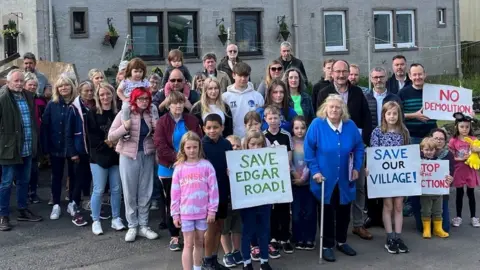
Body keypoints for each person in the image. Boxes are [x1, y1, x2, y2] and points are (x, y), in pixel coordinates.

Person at [304, 94, 364, 262]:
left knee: (344, 211)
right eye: (331, 107)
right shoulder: (317, 125)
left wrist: (357, 167)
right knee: (327, 212)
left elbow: (359, 147)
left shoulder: (350, 125)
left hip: (345, 177)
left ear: (342, 109)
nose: (334, 110)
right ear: (325, 108)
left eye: (338, 107)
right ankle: (327, 245)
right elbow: (309, 150)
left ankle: (342, 241)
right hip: (324, 178)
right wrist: (314, 171)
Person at [108, 87, 159, 242]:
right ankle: (132, 225)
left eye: (146, 99)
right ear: (134, 100)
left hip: (147, 155)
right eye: (140, 99)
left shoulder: (151, 113)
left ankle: (143, 225)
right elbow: (111, 136)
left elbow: (157, 133)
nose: (143, 102)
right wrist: (125, 127)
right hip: (128, 156)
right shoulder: (126, 113)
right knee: (130, 192)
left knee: (146, 191)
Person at [154, 90, 203, 250]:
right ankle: (175, 236)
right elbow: (160, 145)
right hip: (169, 168)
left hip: (190, 166)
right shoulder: (162, 122)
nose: (178, 106)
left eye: (181, 102)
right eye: (174, 103)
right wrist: (179, 159)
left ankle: (191, 234)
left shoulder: (192, 120)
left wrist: (188, 160)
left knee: (191, 199)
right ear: (169, 105)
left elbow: (199, 140)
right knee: (172, 202)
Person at [0, 69, 43, 231]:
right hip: (9, 149)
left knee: (24, 181)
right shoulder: (3, 98)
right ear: (8, 82)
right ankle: (3, 215)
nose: (19, 84)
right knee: (6, 183)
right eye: (16, 81)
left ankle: (22, 210)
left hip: (27, 147)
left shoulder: (28, 96)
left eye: (21, 81)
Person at [171, 131, 219, 270]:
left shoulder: (207, 166)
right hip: (185, 213)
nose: (192, 150)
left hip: (202, 213)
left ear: (199, 147)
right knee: (187, 243)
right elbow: (175, 193)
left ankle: (198, 267)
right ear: (183, 149)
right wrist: (175, 214)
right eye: (188, 147)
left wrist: (212, 211)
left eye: (195, 147)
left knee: (199, 242)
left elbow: (213, 190)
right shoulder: (179, 168)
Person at [363, 67, 402, 232]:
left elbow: (402, 117)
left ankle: (387, 219)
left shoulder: (394, 98)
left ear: (386, 78)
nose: (378, 80)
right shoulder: (366, 97)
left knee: (390, 184)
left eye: (381, 77)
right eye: (375, 77)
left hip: (393, 142)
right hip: (373, 141)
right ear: (371, 79)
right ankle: (373, 215)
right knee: (373, 182)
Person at [369, 101, 410, 254]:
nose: (392, 116)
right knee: (388, 206)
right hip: (385, 177)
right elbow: (373, 154)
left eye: (395, 113)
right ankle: (389, 237)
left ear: (399, 115)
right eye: (389, 113)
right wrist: (370, 169)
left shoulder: (404, 131)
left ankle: (398, 237)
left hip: (399, 176)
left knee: (399, 206)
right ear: (384, 115)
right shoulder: (377, 132)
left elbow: (409, 154)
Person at [87, 82, 125, 235]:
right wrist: (112, 142)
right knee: (99, 189)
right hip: (99, 157)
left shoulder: (119, 112)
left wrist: (116, 143)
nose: (105, 97)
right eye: (102, 94)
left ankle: (116, 218)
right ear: (98, 97)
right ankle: (95, 220)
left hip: (116, 155)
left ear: (113, 95)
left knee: (116, 189)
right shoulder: (92, 113)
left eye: (108, 93)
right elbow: (93, 138)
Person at [41, 75, 77, 221]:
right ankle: (56, 204)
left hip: (74, 147)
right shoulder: (52, 104)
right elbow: (45, 126)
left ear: (71, 87)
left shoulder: (77, 103)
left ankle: (73, 202)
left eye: (66, 85)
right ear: (57, 89)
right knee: (56, 176)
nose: (63, 88)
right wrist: (46, 147)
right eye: (60, 86)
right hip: (56, 146)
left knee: (74, 175)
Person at [201, 114, 233, 270]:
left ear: (222, 128)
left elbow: (231, 165)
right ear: (203, 129)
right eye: (209, 128)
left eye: (215, 127)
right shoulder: (201, 145)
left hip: (223, 190)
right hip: (208, 195)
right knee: (211, 229)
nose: (212, 130)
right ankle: (207, 261)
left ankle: (214, 259)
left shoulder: (226, 144)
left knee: (220, 227)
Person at [261, 106, 294, 255]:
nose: (273, 121)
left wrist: (285, 167)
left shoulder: (286, 135)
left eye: (276, 118)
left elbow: (289, 154)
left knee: (284, 208)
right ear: (265, 119)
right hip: (269, 177)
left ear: (280, 119)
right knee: (271, 209)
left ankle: (285, 238)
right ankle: (273, 236)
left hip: (283, 177)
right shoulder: (262, 136)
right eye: (270, 118)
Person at [316, 60, 373, 146]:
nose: (341, 75)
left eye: (344, 71)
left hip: (355, 141)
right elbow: (321, 118)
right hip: (331, 142)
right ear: (332, 73)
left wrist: (365, 139)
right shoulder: (324, 93)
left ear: (349, 73)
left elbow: (366, 117)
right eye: (338, 71)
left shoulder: (357, 92)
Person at [240, 130, 274, 270]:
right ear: (246, 145)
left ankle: (264, 261)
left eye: (259, 144)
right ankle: (246, 262)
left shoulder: (269, 160)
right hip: (247, 202)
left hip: (265, 201)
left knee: (264, 231)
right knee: (247, 232)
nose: (256, 148)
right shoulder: (240, 161)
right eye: (252, 144)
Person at [66, 80, 95, 223]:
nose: (89, 93)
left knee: (89, 178)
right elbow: (68, 133)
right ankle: (74, 204)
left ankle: (86, 202)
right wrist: (73, 152)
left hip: (93, 149)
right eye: (86, 91)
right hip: (80, 150)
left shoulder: (95, 105)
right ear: (79, 91)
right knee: (78, 179)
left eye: (91, 90)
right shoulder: (73, 108)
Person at [448, 112, 480, 228]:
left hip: (470, 171)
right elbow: (451, 157)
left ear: (470, 127)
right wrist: (461, 158)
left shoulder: (473, 139)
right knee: (459, 194)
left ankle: (473, 217)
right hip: (459, 170)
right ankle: (458, 217)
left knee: (471, 194)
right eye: (462, 126)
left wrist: (477, 151)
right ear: (457, 126)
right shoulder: (453, 141)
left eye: (467, 127)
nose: (464, 129)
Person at [290, 116, 316, 250]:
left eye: (302, 128)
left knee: (310, 212)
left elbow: (311, 160)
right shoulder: (291, 142)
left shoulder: (310, 142)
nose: (300, 131)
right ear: (292, 129)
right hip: (294, 182)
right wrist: (295, 174)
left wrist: (304, 177)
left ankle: (309, 238)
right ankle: (298, 237)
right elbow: (289, 161)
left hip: (308, 183)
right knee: (296, 213)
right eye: (296, 128)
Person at [117, 58, 158, 139]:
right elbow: (119, 91)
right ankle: (126, 128)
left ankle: (155, 127)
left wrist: (148, 97)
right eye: (135, 71)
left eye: (140, 71)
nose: (138, 74)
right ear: (130, 71)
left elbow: (150, 88)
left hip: (142, 101)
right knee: (125, 108)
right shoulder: (126, 81)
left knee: (154, 107)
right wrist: (124, 99)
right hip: (130, 101)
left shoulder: (144, 81)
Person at [419, 137, 451, 239]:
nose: (429, 152)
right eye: (426, 150)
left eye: (431, 150)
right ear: (422, 150)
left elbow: (445, 173)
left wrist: (448, 176)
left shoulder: (439, 162)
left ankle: (437, 229)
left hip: (438, 192)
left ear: (435, 150)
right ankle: (427, 229)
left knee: (438, 211)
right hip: (425, 193)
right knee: (426, 211)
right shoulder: (419, 162)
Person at [222, 62, 264, 138]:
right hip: (234, 140)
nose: (243, 79)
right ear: (233, 75)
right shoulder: (225, 97)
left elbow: (261, 120)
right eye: (240, 75)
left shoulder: (257, 96)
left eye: (246, 76)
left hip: (253, 140)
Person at [399, 63, 436, 144]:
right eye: (414, 75)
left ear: (425, 74)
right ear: (410, 76)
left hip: (431, 136)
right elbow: (397, 115)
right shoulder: (403, 93)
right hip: (412, 137)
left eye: (420, 74)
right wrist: (415, 115)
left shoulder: (435, 91)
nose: (417, 77)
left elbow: (447, 108)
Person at [221, 135, 244, 267]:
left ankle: (236, 251)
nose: (234, 148)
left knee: (237, 227)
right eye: (231, 146)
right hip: (226, 200)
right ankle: (227, 253)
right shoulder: (223, 162)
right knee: (224, 228)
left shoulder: (244, 162)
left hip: (239, 201)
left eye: (237, 146)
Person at [429, 128, 454, 232]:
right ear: (430, 139)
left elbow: (451, 173)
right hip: (424, 194)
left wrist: (450, 179)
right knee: (424, 228)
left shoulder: (449, 155)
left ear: (445, 141)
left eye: (441, 139)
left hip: (441, 194)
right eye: (436, 138)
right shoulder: (423, 153)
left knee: (445, 228)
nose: (439, 141)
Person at [23, 72, 43, 203]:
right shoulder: (20, 100)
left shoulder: (40, 100)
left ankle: (33, 193)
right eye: (30, 85)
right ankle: (23, 194)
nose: (32, 87)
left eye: (34, 85)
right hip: (23, 139)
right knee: (23, 171)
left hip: (36, 139)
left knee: (34, 169)